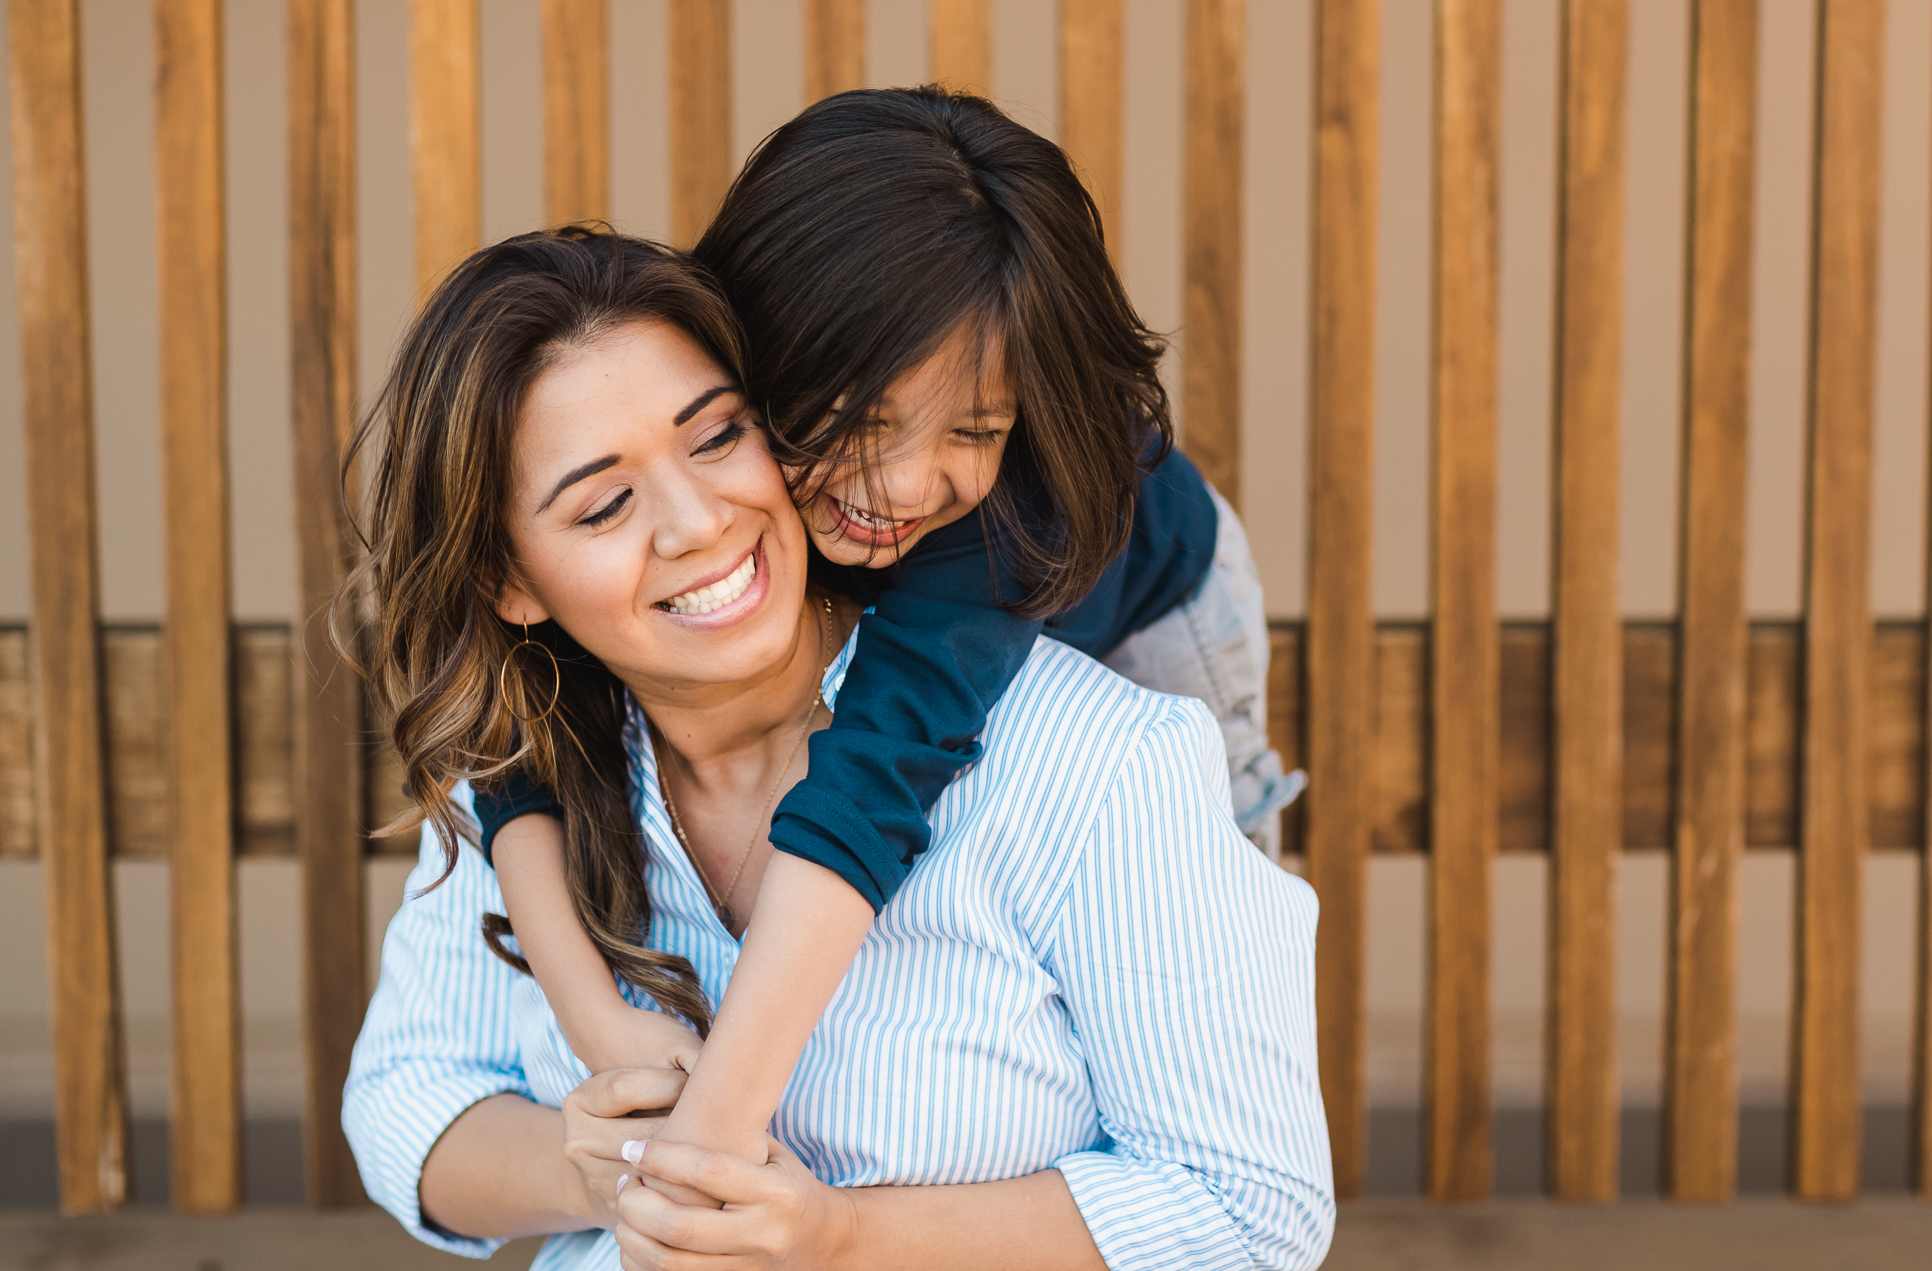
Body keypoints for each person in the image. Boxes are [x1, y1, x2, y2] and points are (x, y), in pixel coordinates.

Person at [340, 228, 1333, 1269]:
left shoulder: (1088, 759)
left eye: (716, 438)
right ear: (512, 583)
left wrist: (841, 1237)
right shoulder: (530, 776)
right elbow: (404, 1099)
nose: (696, 522)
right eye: (604, 504)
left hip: (1140, 574)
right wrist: (595, 1165)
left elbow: (1249, 1209)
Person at [476, 90, 1306, 1189]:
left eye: (975, 427)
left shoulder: (996, 517)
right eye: (861, 421)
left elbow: (871, 780)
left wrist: (712, 1135)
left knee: (1177, 921)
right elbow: (506, 749)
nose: (907, 485)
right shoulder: (702, 429)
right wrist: (596, 1024)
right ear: (758, 350)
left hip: (1156, 603)